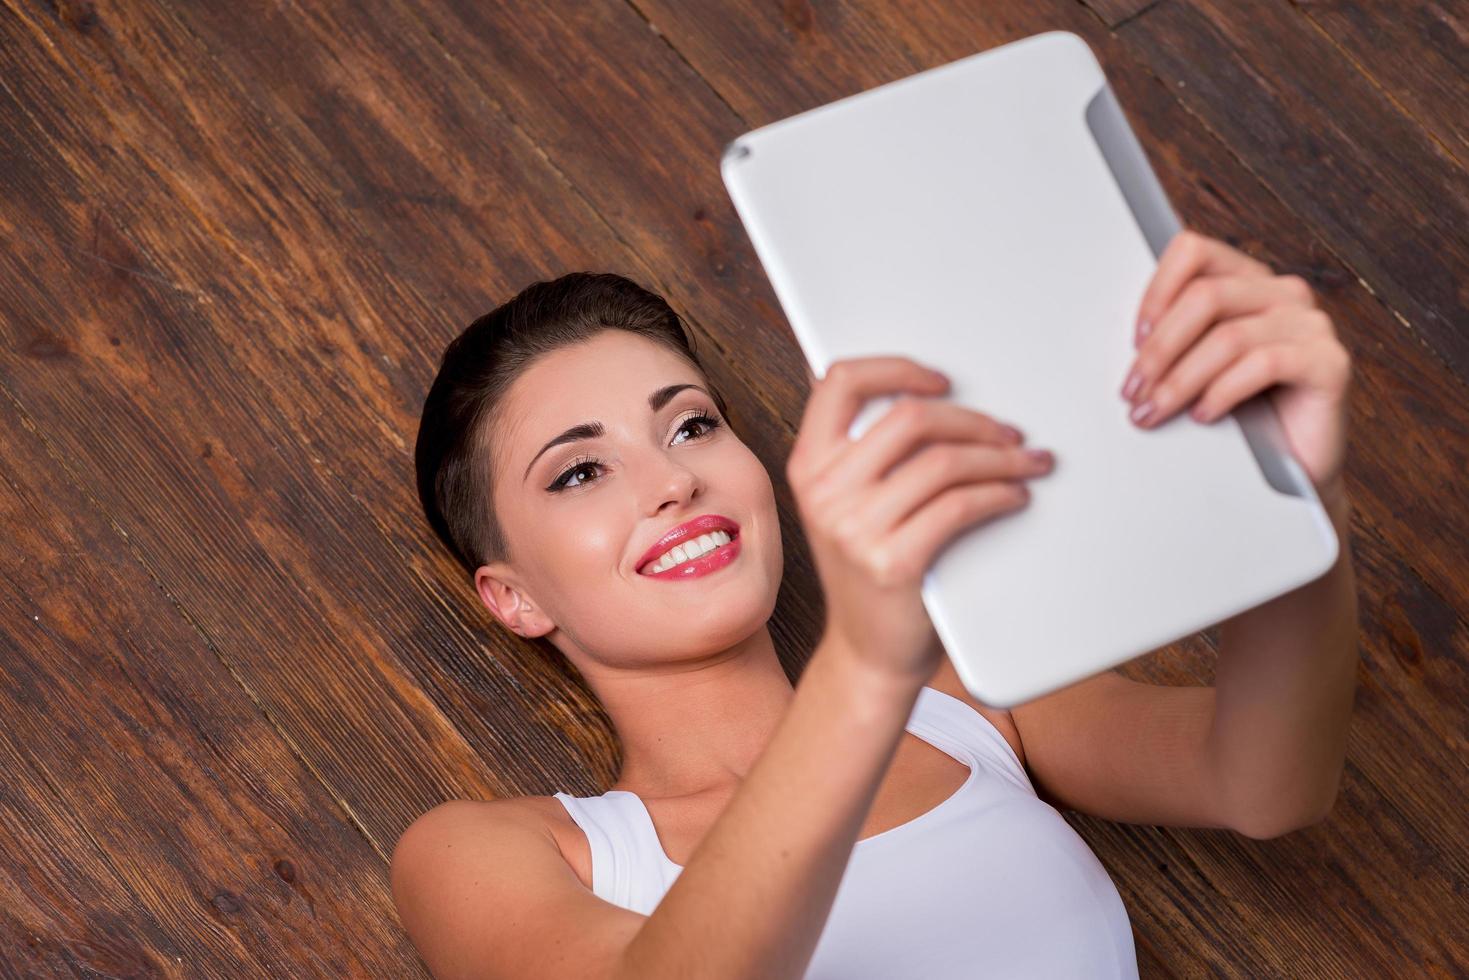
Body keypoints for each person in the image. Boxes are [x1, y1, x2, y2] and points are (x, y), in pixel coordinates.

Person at [393, 240, 1357, 978]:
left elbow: (1265, 783)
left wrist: (1296, 502)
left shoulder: (973, 699)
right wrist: (864, 666)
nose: (674, 479)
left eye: (690, 423)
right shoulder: (492, 854)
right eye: (581, 471)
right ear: (512, 596)